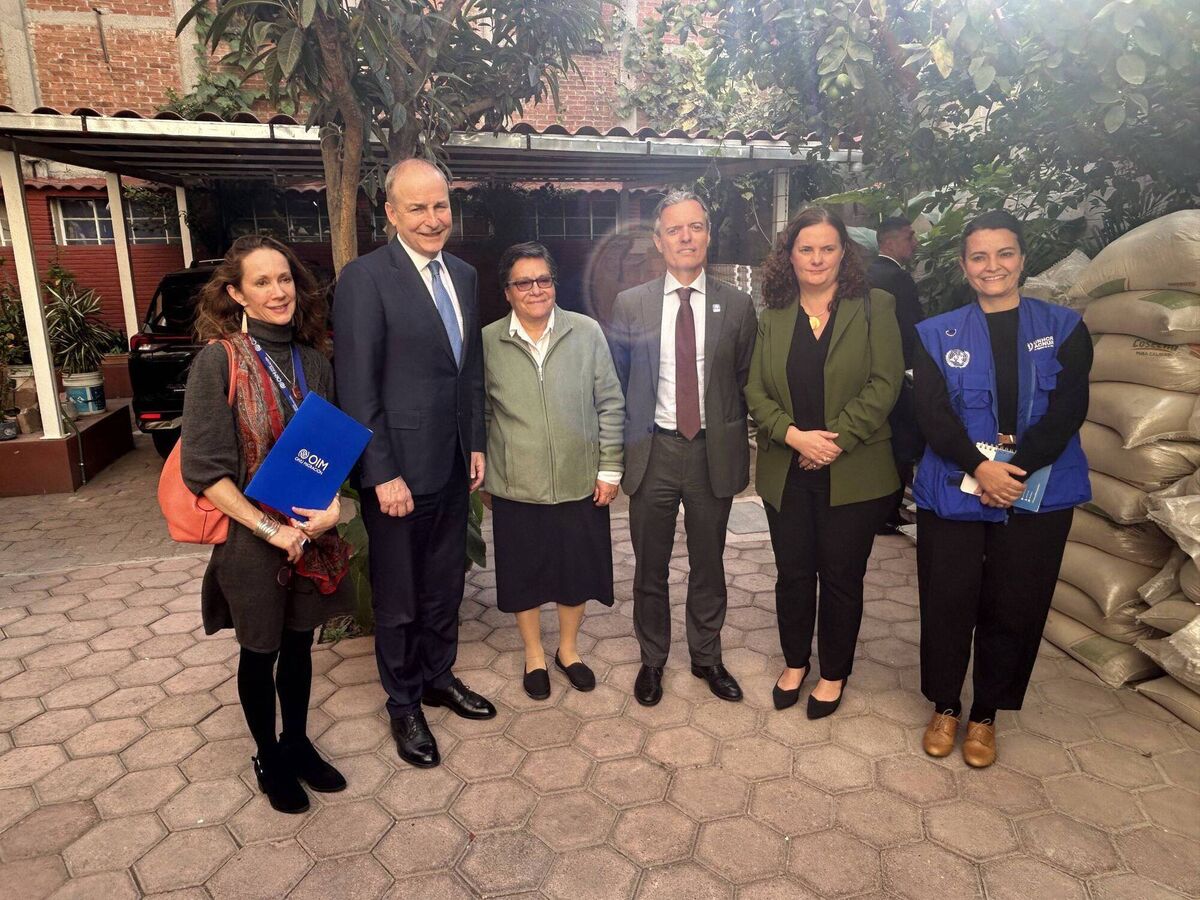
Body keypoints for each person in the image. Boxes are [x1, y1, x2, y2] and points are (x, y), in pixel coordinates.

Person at [181, 235, 353, 814]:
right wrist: (270, 530)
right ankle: (267, 755)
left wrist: (334, 510)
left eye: (284, 279)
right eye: (261, 282)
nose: (277, 291)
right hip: (252, 540)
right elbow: (204, 472)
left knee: (300, 644)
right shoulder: (218, 360)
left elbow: (328, 454)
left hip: (309, 534)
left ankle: (297, 742)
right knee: (261, 650)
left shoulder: (316, 362)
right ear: (237, 293)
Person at [913, 209, 1091, 768]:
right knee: (948, 600)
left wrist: (1011, 471)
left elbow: (1069, 410)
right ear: (965, 267)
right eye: (980, 256)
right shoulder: (935, 334)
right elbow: (932, 416)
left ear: (1022, 259)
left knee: (1013, 603)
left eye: (1005, 253)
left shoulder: (1064, 328)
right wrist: (979, 468)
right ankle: (946, 704)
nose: (993, 266)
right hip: (956, 485)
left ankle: (986, 713)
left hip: (1038, 486)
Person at [333, 158, 494, 771]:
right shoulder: (365, 279)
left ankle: (438, 678)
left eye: (441, 206)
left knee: (445, 585)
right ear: (392, 213)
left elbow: (467, 371)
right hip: (397, 472)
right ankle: (403, 702)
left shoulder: (464, 274)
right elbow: (357, 385)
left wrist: (475, 441)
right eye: (418, 208)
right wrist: (380, 473)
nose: (433, 219)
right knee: (399, 597)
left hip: (454, 465)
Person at [746, 207, 904, 720]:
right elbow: (754, 388)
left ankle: (833, 673)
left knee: (840, 577)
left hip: (853, 470)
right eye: (805, 248)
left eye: (827, 248)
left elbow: (886, 382)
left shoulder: (876, 305)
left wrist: (833, 442)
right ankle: (795, 663)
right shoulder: (772, 314)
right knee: (793, 574)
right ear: (788, 256)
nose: (816, 258)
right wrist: (793, 436)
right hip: (786, 469)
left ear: (844, 254)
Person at [607, 191, 757, 707]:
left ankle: (706, 657)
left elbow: (743, 380)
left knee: (709, 562)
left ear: (708, 235)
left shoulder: (737, 305)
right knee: (650, 564)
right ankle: (653, 660)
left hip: (711, 453)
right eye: (675, 230)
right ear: (658, 240)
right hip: (654, 453)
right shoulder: (632, 304)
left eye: (695, 227)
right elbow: (619, 382)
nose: (686, 238)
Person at [481, 242, 625, 700]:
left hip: (578, 479)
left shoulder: (586, 332)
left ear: (554, 283)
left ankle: (567, 649)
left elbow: (611, 403)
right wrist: (486, 472)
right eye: (523, 282)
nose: (535, 289)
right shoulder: (487, 342)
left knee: (575, 571)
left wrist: (609, 469)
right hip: (516, 484)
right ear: (507, 291)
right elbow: (481, 414)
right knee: (524, 573)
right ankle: (533, 655)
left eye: (543, 279)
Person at [868, 216, 925, 534]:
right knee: (901, 441)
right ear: (889, 242)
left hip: (864, 371)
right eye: (909, 237)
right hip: (896, 373)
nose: (914, 243)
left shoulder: (863, 274)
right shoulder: (898, 279)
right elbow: (911, 328)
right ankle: (888, 512)